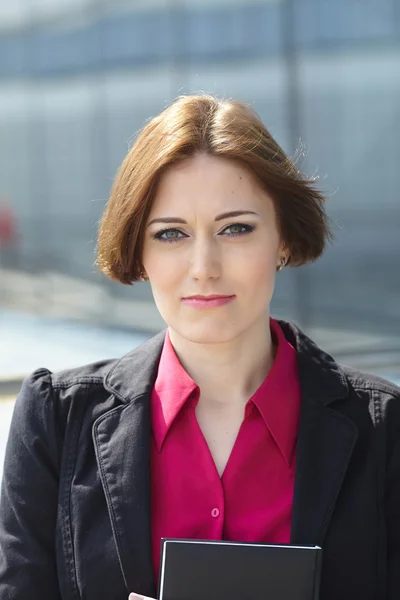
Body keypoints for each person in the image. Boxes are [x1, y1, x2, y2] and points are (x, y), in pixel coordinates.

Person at [0, 94, 399, 600]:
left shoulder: (385, 430)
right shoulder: (57, 423)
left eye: (236, 228)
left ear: (283, 238)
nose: (204, 266)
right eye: (171, 234)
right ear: (138, 253)